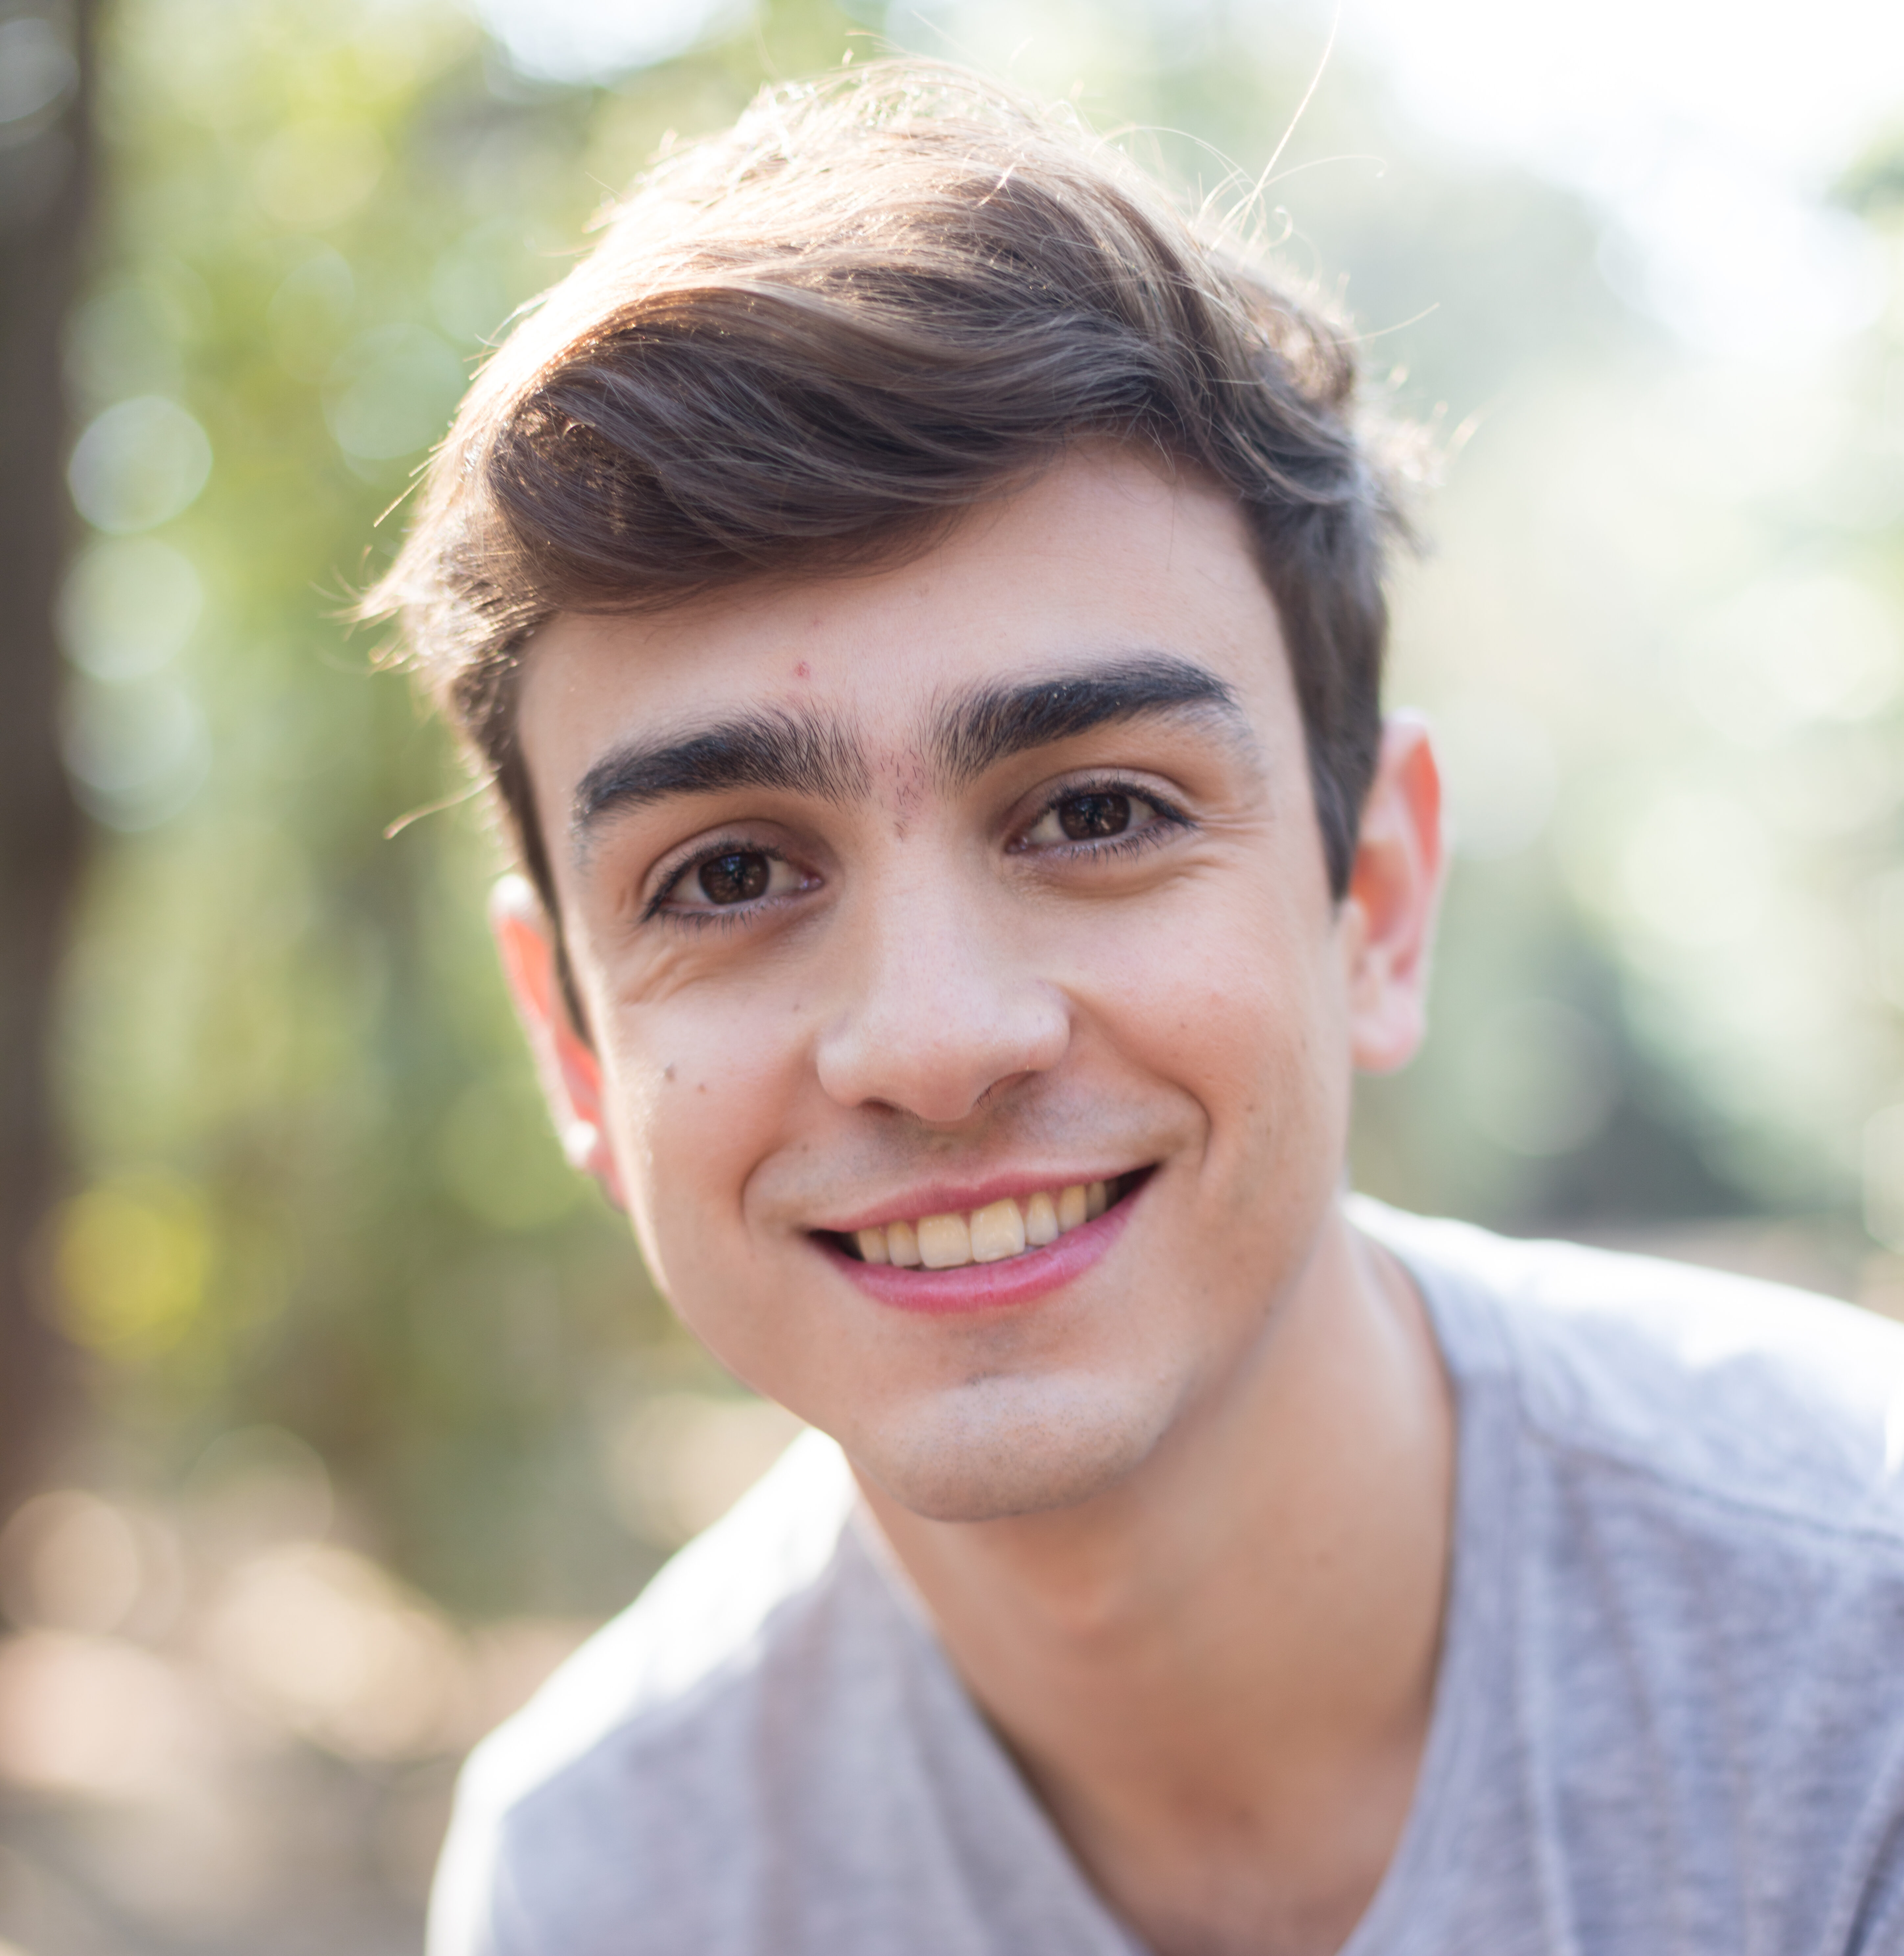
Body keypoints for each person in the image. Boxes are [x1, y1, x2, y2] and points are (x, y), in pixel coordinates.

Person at [367, 58, 1904, 1956]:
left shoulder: (1863, 1679)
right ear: (573, 1045)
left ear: (1378, 903)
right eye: (732, 875)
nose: (932, 1043)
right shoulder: (604, 1883)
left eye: (1098, 812)